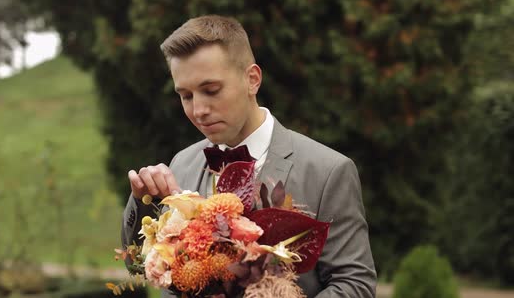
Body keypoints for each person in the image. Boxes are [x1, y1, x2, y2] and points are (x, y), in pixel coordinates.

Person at [121, 15, 377, 297]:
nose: (199, 110)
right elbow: (140, 264)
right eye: (186, 96)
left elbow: (355, 285)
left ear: (252, 80)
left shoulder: (328, 171)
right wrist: (144, 200)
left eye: (211, 90)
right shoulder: (182, 163)